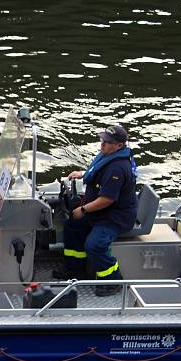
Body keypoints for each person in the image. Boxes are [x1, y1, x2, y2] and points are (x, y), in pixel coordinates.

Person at [55, 124, 138, 296]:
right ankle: (75, 270)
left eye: (107, 142)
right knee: (73, 226)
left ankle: (113, 281)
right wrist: (83, 174)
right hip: (101, 211)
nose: (102, 144)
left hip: (114, 217)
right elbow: (98, 173)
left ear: (119, 146)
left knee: (95, 245)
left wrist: (83, 209)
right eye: (102, 140)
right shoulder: (108, 155)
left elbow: (107, 199)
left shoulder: (118, 168)